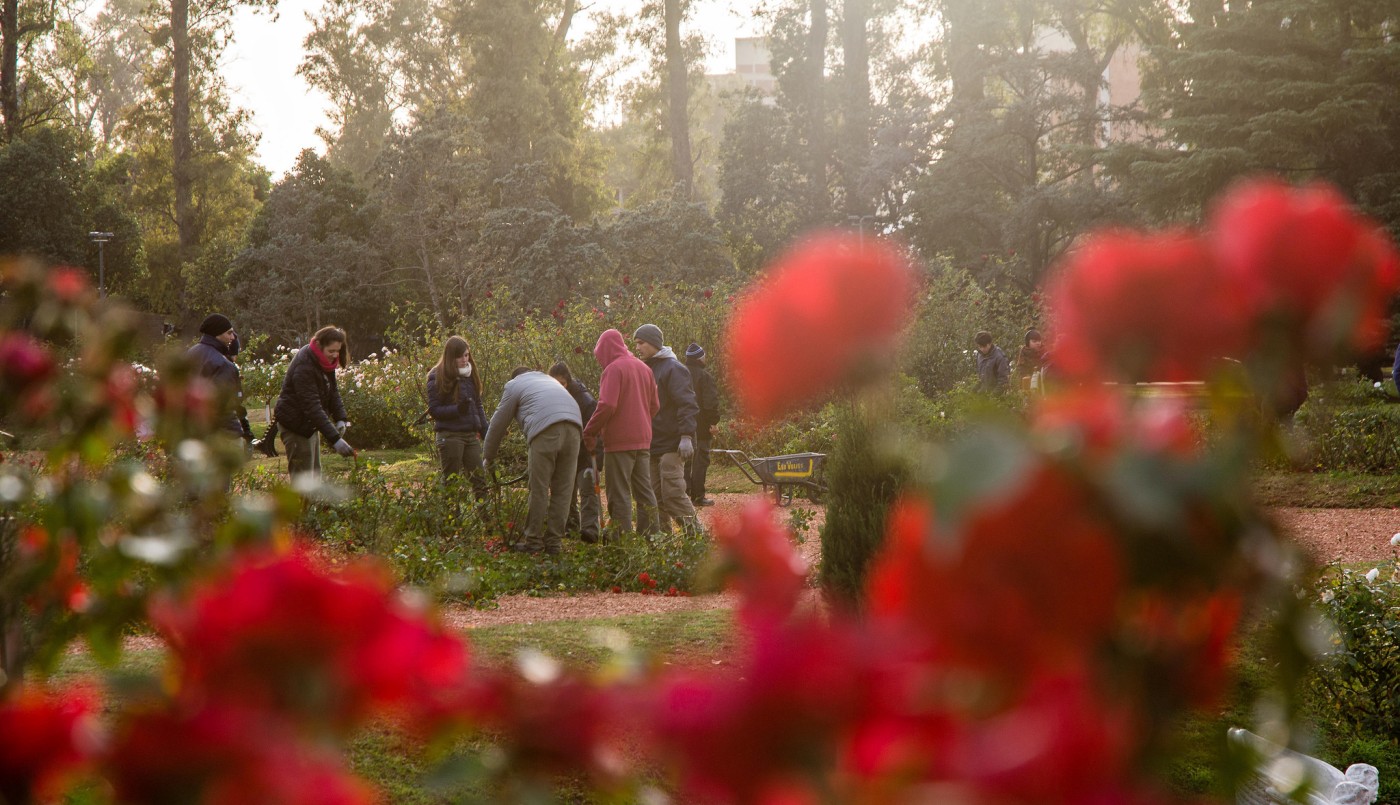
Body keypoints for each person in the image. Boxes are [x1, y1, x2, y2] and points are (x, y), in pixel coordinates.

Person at [482, 366, 583, 555]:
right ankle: (554, 543)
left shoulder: (514, 384)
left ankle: (533, 542)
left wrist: (488, 456)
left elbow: (498, 422)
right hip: (575, 428)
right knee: (563, 490)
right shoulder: (547, 380)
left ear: (516, 377)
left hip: (546, 430)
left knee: (539, 488)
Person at [582, 329, 659, 538]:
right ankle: (652, 538)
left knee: (620, 493)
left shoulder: (613, 370)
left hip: (618, 442)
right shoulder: (644, 368)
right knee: (645, 492)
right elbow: (655, 405)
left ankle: (621, 542)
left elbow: (607, 404)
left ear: (606, 350)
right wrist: (640, 422)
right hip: (643, 440)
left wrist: (590, 431)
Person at [632, 323, 700, 533]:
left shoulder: (673, 368)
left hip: (673, 443)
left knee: (672, 494)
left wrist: (686, 435)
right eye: (636, 343)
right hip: (653, 442)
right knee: (655, 497)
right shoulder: (647, 368)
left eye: (641, 343)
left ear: (653, 342)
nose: (638, 348)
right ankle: (664, 543)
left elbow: (687, 403)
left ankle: (696, 536)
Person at [273, 326, 355, 477]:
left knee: (315, 478)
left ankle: (312, 502)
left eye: (338, 350)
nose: (335, 355)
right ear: (319, 345)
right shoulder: (304, 365)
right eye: (331, 351)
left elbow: (332, 391)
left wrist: (341, 418)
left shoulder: (323, 361)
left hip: (308, 425)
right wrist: (335, 439)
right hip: (295, 426)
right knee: (303, 481)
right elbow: (311, 406)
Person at [426, 336, 488, 496]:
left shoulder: (470, 374)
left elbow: (477, 404)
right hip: (450, 435)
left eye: (466, 355)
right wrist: (457, 410)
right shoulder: (437, 375)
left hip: (470, 435)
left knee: (480, 480)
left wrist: (485, 429)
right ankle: (453, 519)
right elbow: (434, 409)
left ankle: (487, 519)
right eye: (460, 356)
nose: (464, 359)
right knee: (451, 483)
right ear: (450, 357)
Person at [549, 361, 602, 543]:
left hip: (584, 450)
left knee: (587, 488)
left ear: (568, 381)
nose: (559, 387)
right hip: (564, 450)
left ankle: (590, 530)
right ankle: (570, 526)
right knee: (566, 490)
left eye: (562, 383)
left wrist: (596, 451)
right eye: (556, 383)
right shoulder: (550, 395)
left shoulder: (583, 398)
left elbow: (594, 423)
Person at [187, 313, 252, 442]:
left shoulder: (190, 354)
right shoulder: (221, 364)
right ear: (217, 334)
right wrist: (236, 435)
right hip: (221, 435)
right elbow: (224, 406)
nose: (233, 337)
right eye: (229, 333)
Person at [682, 342, 719, 507]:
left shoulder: (680, 373)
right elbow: (710, 402)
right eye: (703, 355)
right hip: (702, 425)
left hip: (683, 425)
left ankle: (684, 495)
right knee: (701, 460)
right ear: (698, 358)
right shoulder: (704, 377)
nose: (706, 358)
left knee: (685, 461)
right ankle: (698, 496)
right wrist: (713, 423)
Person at [1015, 329, 1045, 393]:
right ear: (1028, 342)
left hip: (1044, 387)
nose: (1038, 343)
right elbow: (1021, 372)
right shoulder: (1023, 354)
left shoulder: (1045, 354)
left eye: (1039, 341)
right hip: (1028, 387)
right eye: (1034, 341)